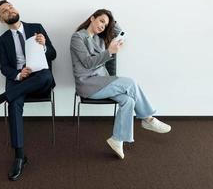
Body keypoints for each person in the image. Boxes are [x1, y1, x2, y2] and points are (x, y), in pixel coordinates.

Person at [70, 9, 171, 160]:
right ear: (92, 18)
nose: (103, 26)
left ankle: (117, 139)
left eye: (106, 25)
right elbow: (87, 63)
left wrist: (112, 21)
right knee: (130, 83)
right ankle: (148, 118)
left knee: (128, 100)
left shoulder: (99, 39)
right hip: (88, 84)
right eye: (101, 21)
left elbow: (120, 32)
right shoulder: (78, 37)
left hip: (103, 83)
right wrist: (109, 52)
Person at [0, 0, 56, 181]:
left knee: (47, 76)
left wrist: (44, 45)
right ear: (1, 19)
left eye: (10, 7)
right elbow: (4, 68)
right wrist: (18, 74)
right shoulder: (3, 40)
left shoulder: (36, 27)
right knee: (14, 104)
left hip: (39, 80)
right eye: (4, 11)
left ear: (17, 9)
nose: (9, 11)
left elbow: (53, 54)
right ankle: (20, 157)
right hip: (19, 81)